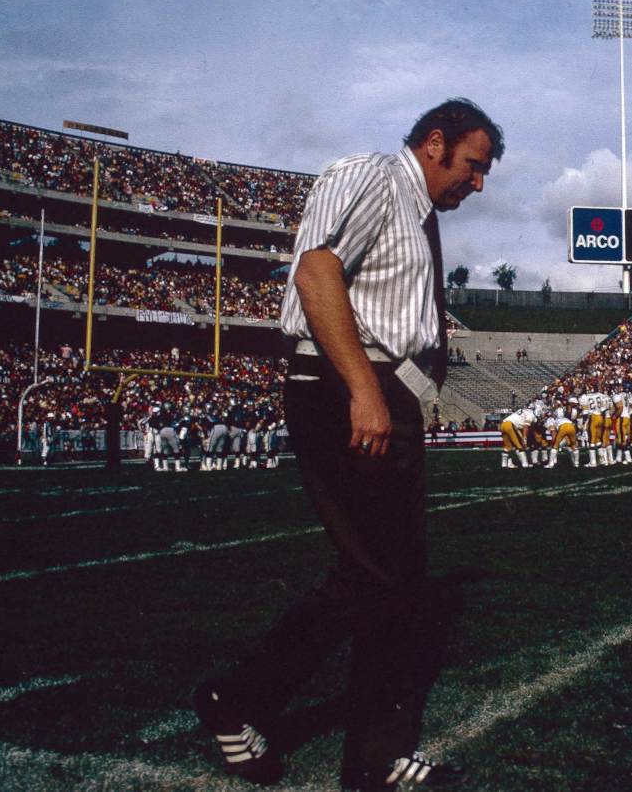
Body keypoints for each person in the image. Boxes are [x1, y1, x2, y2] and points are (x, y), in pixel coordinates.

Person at [192, 98, 503, 790]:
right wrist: (364, 388)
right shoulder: (372, 176)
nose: (479, 184)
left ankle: (365, 754)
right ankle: (242, 702)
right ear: (434, 143)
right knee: (377, 574)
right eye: (474, 165)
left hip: (376, 388)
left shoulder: (416, 210)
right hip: (344, 385)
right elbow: (316, 273)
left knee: (393, 578)